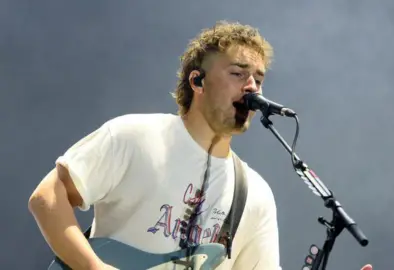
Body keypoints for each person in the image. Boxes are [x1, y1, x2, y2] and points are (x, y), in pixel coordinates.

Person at [28, 20, 373, 270]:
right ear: (198, 81)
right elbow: (47, 198)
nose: (252, 87)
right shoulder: (135, 136)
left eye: (259, 79)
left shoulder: (254, 194)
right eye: (238, 73)